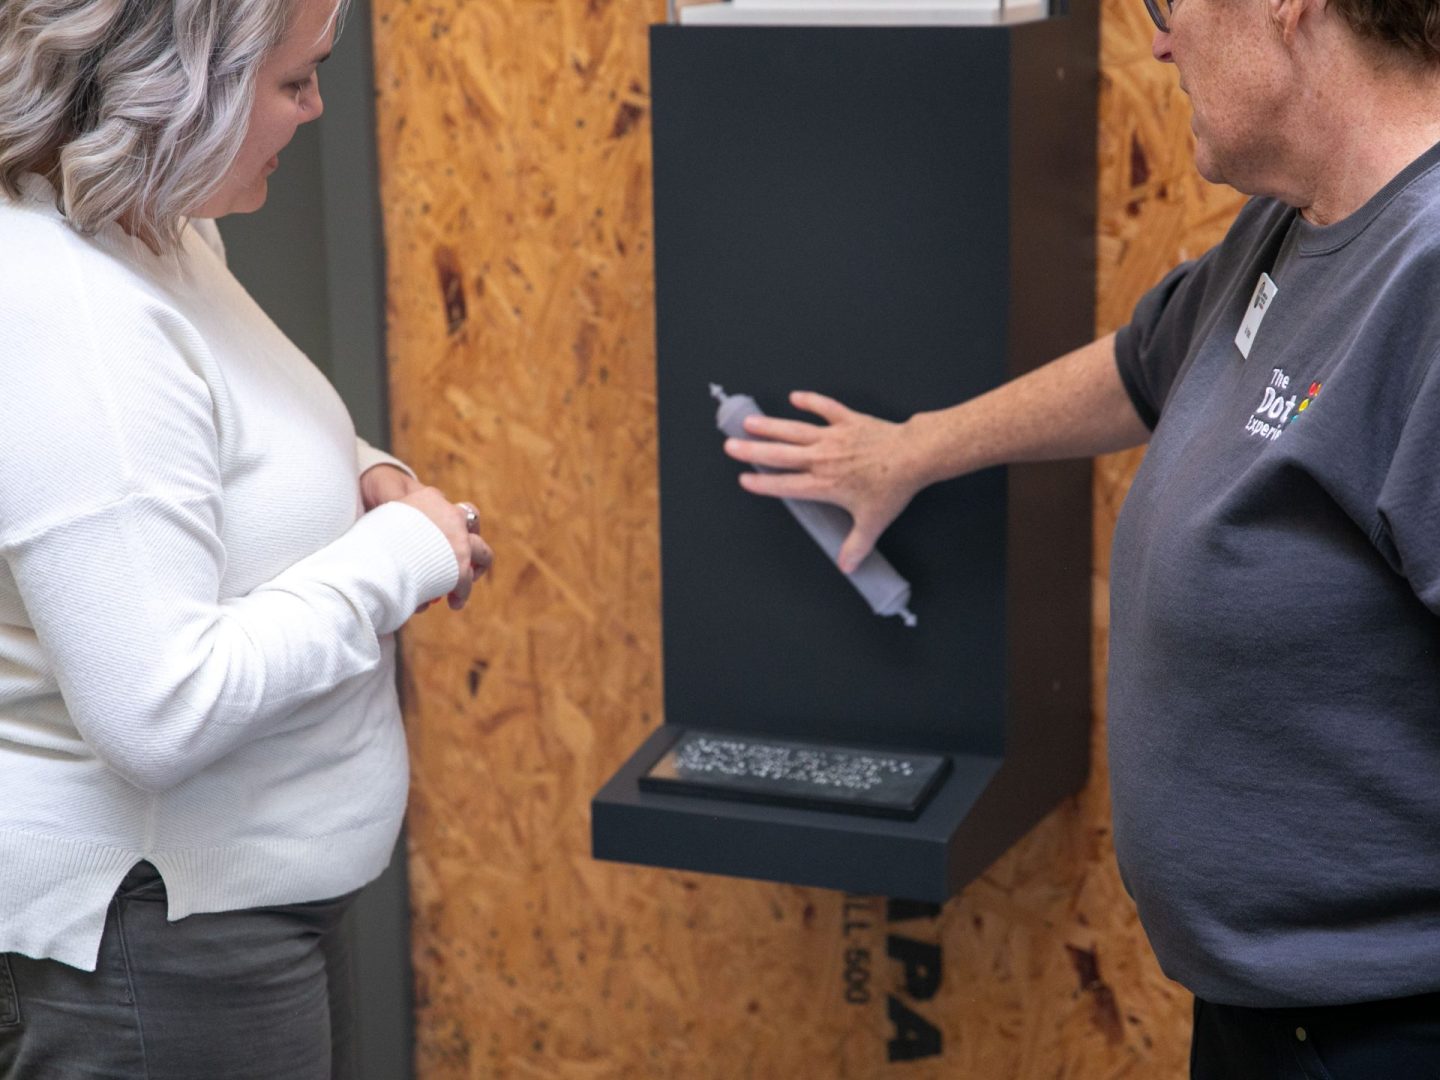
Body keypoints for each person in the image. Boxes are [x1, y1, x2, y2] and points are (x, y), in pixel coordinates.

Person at [725, 0, 1440, 1073]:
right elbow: (1144, 364)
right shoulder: (1300, 222)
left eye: (1168, 3)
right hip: (1266, 1010)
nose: (1157, 39)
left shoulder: (1425, 279)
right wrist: (915, 450)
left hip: (1386, 1027)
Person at [0, 0, 492, 1076]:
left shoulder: (161, 229)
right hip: (153, 935)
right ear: (178, 89)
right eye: (294, 81)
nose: (314, 108)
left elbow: (204, 436)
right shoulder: (68, 313)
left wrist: (358, 470)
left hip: (245, 902)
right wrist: (400, 555)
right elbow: (159, 708)